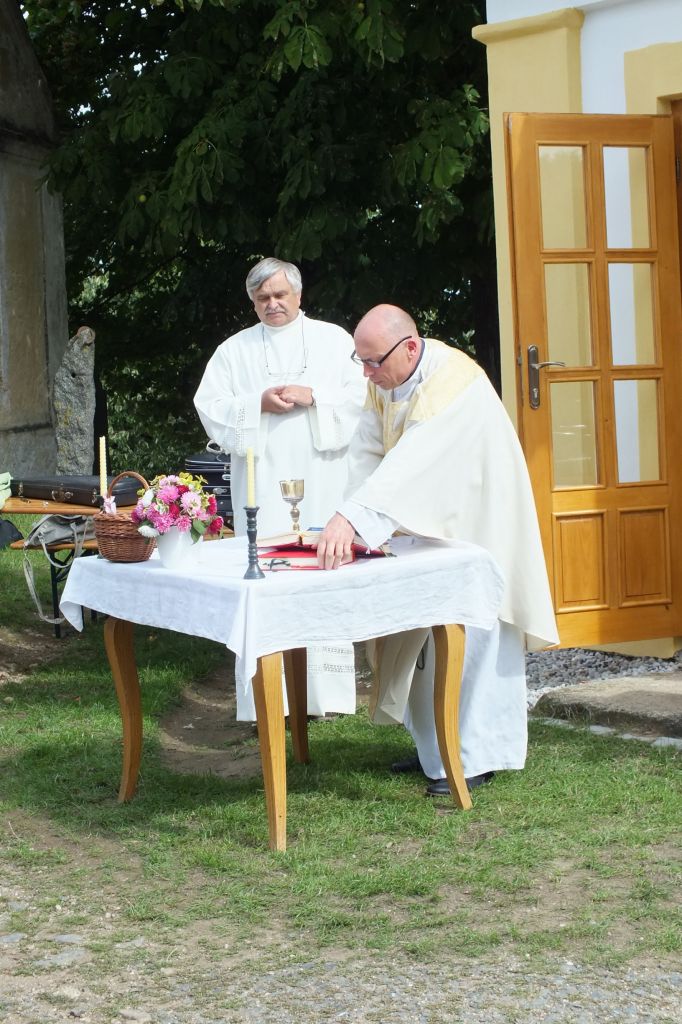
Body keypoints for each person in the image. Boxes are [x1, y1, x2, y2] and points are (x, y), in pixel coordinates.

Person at [315, 303, 559, 795]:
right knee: (422, 641)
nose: (366, 373)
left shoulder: (453, 383)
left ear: (409, 347)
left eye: (373, 362)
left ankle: (473, 759)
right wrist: (354, 518)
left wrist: (356, 518)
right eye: (361, 361)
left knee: (473, 642)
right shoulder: (385, 378)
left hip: (477, 528)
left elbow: (415, 459)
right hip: (427, 528)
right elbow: (366, 450)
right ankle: (434, 747)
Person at [194, 257, 367, 720]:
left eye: (279, 295)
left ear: (298, 295)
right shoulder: (234, 350)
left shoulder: (334, 340)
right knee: (266, 574)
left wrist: (315, 397)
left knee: (321, 570)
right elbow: (209, 405)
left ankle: (325, 696)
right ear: (253, 303)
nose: (272, 304)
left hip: (324, 476)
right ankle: (269, 698)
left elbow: (361, 396)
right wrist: (258, 404)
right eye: (262, 298)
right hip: (263, 482)